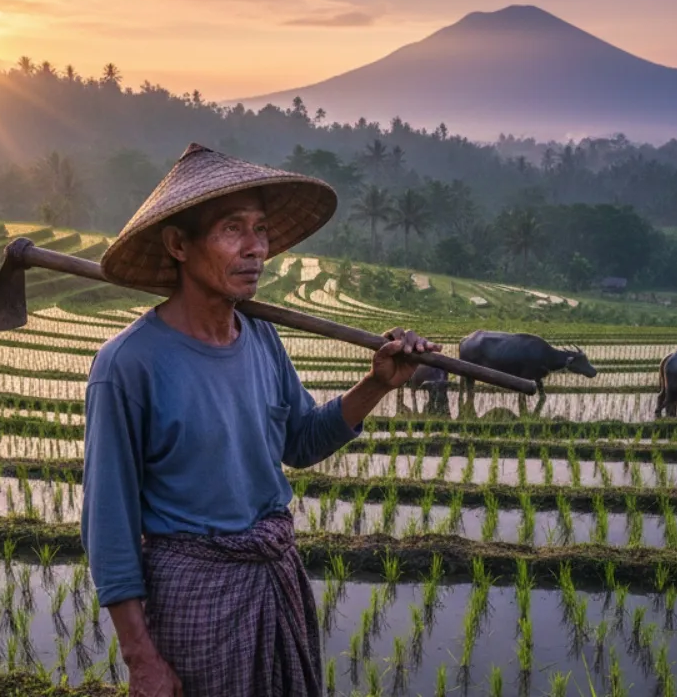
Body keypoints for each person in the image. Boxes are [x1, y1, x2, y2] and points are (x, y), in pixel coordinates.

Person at [81, 142, 440, 697]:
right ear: (179, 244)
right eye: (232, 229)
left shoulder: (261, 339)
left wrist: (377, 384)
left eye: (261, 229)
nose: (256, 250)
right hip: (195, 593)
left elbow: (299, 441)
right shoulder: (128, 365)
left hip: (274, 575)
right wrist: (140, 658)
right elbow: (109, 527)